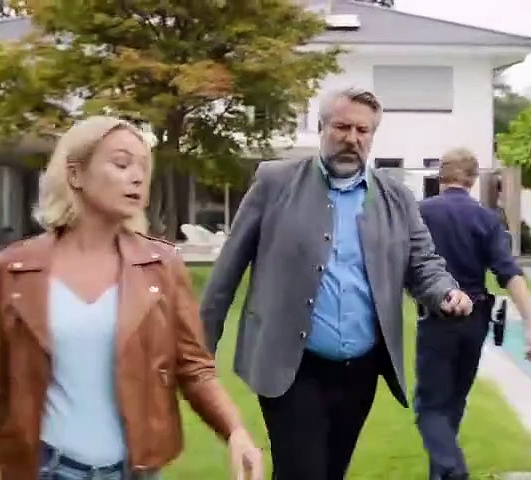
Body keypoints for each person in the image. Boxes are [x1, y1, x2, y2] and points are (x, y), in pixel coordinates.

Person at [0, 116, 263, 480]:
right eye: (121, 164)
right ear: (75, 175)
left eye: (143, 168)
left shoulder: (162, 265)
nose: (137, 177)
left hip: (135, 471)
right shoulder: (15, 269)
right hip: (48, 469)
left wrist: (235, 431)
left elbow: (194, 367)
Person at [200, 87, 473, 480]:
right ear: (322, 127)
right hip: (290, 365)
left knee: (331, 471)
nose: (352, 138)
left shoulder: (396, 197)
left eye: (363, 130)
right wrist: (200, 353)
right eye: (342, 127)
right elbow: (227, 269)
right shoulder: (275, 182)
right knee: (303, 472)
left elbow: (423, 262)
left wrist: (446, 292)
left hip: (360, 370)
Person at [415, 148, 531, 480]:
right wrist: (530, 326)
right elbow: (509, 273)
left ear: (441, 175)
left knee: (429, 408)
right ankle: (443, 474)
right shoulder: (486, 218)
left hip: (437, 318)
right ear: (472, 179)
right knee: (453, 402)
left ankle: (453, 470)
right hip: (476, 320)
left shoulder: (421, 213)